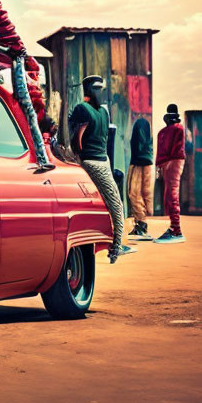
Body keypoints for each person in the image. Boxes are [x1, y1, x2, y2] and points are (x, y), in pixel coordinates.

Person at [68, 75, 133, 263]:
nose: (100, 92)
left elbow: (76, 140)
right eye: (97, 88)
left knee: (112, 205)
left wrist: (77, 156)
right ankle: (115, 247)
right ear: (90, 90)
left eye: (101, 88)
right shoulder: (104, 112)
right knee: (115, 205)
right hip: (101, 162)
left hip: (90, 162)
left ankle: (115, 246)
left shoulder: (82, 109)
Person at [154, 104, 186, 244]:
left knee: (171, 194)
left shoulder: (169, 131)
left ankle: (176, 229)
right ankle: (174, 227)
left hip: (173, 160)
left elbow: (170, 149)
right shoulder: (172, 130)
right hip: (171, 161)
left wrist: (160, 164)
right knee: (169, 195)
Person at [127, 117, 155, 240]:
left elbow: (136, 144)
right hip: (148, 162)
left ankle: (141, 225)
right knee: (145, 193)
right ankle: (142, 222)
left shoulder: (138, 129)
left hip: (138, 163)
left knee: (134, 193)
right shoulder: (149, 140)